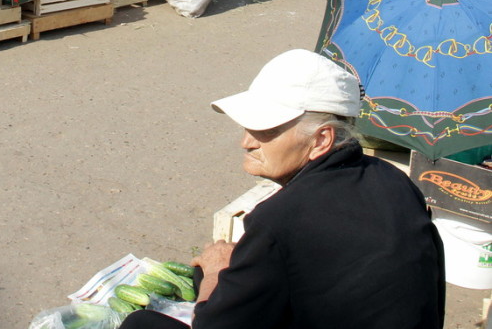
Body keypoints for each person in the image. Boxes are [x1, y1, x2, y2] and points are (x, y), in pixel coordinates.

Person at [119, 49, 445, 329]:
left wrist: (217, 272)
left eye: (267, 129)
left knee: (141, 323)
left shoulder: (279, 220)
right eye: (248, 126)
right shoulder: (394, 181)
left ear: (321, 139)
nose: (246, 141)